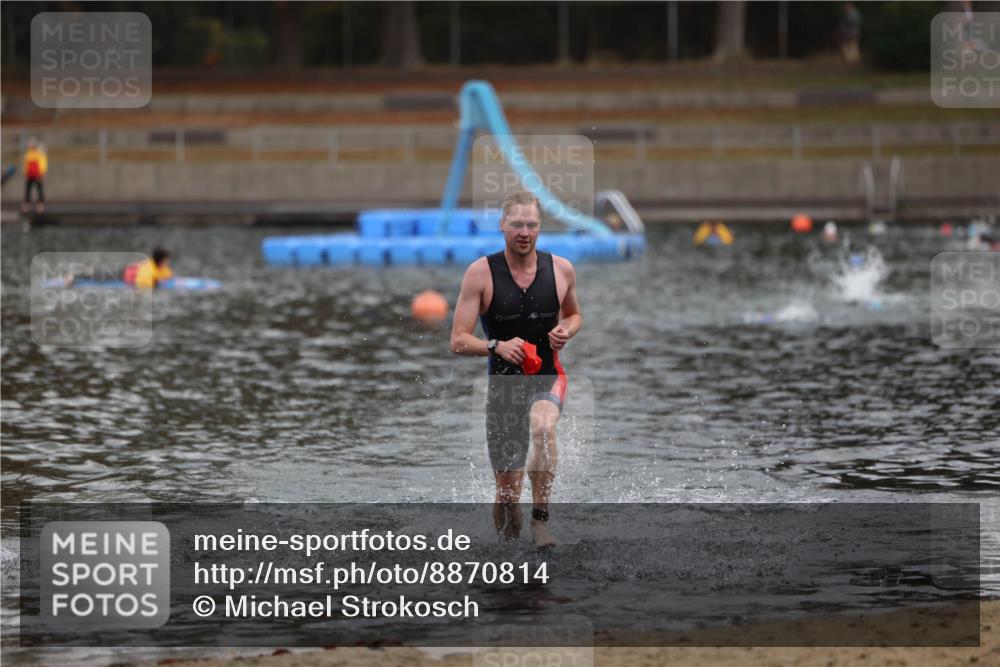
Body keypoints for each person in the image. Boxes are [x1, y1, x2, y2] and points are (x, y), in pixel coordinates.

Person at [450, 190, 582, 549]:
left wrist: (565, 330)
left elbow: (574, 314)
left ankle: (541, 522)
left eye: (532, 224)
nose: (524, 231)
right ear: (502, 226)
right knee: (507, 495)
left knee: (542, 426)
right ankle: (508, 558)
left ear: (540, 227)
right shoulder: (480, 273)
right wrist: (495, 345)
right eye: (516, 224)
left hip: (547, 376)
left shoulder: (561, 269)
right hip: (503, 387)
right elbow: (458, 340)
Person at [22, 137, 48, 214]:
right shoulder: (28, 154)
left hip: (37, 174)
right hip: (30, 174)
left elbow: (43, 163)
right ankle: (27, 204)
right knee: (28, 189)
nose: (30, 146)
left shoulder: (39, 153)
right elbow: (25, 164)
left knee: (39, 189)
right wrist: (25, 173)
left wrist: (42, 173)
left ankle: (40, 204)